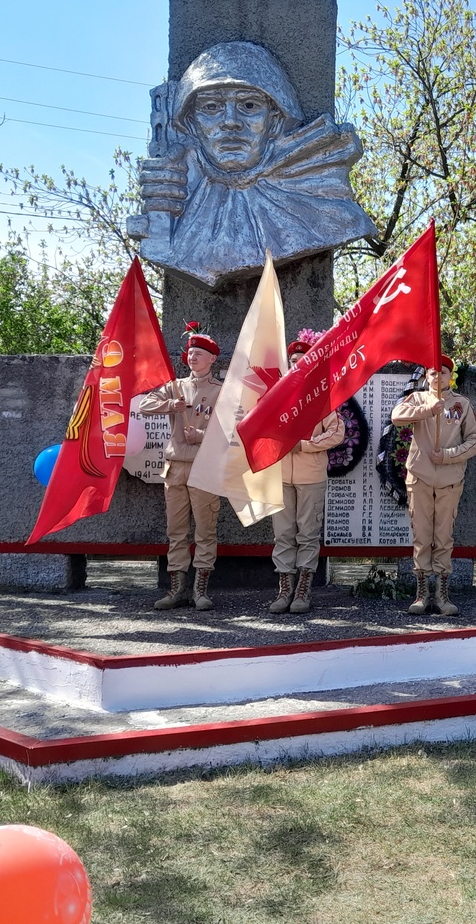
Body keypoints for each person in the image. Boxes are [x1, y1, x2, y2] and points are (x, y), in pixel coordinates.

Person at [130, 40, 377, 290]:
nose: (230, 122)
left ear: (275, 121)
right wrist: (161, 212)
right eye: (211, 107)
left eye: (249, 105)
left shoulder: (331, 215)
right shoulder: (174, 198)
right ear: (192, 124)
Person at [139, 325, 224, 611]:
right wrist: (170, 406)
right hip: (175, 467)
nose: (193, 358)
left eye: (200, 354)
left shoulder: (221, 392)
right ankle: (177, 589)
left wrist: (200, 436)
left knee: (205, 530)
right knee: (176, 531)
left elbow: (231, 430)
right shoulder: (175, 387)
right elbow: (145, 404)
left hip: (204, 466)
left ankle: (201, 590)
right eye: (190, 353)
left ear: (213, 358)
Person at [390, 356, 476, 615]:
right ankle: (421, 593)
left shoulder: (462, 404)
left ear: (449, 376)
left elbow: (475, 442)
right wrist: (427, 410)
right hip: (419, 476)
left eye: (442, 372)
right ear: (426, 377)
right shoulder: (418, 399)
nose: (437, 377)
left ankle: (442, 594)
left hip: (449, 479)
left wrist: (448, 455)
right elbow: (397, 416)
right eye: (432, 373)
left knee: (443, 536)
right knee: (421, 535)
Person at [269, 339, 345, 614]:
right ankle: (284, 588)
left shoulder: (322, 395)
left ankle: (303, 589)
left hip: (311, 474)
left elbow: (336, 432)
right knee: (283, 533)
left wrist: (303, 445)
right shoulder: (278, 394)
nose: (297, 362)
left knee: (308, 533)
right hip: (281, 474)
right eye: (293, 359)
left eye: (303, 358)